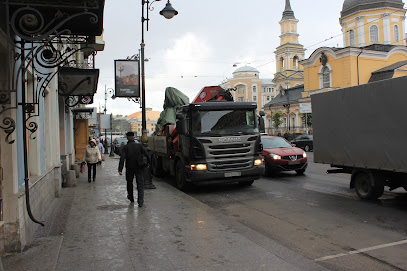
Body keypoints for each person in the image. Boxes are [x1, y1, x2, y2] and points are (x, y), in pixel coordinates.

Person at [118, 132, 149, 207]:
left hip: (129, 168)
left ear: (127, 138)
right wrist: (147, 164)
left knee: (129, 183)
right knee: (140, 184)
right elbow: (146, 154)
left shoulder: (126, 147)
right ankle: (140, 201)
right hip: (139, 167)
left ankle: (131, 197)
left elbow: (122, 158)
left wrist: (120, 169)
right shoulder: (139, 145)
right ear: (134, 137)